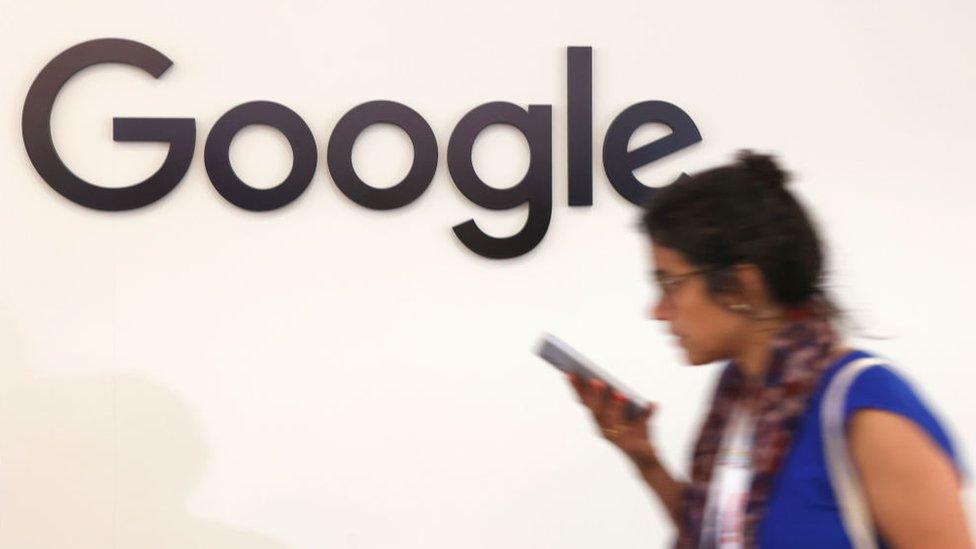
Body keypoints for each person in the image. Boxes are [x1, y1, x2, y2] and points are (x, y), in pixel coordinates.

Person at [566, 151, 973, 548]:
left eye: (670, 284)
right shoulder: (738, 395)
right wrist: (647, 461)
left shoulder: (868, 406)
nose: (656, 310)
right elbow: (727, 536)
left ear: (741, 286)